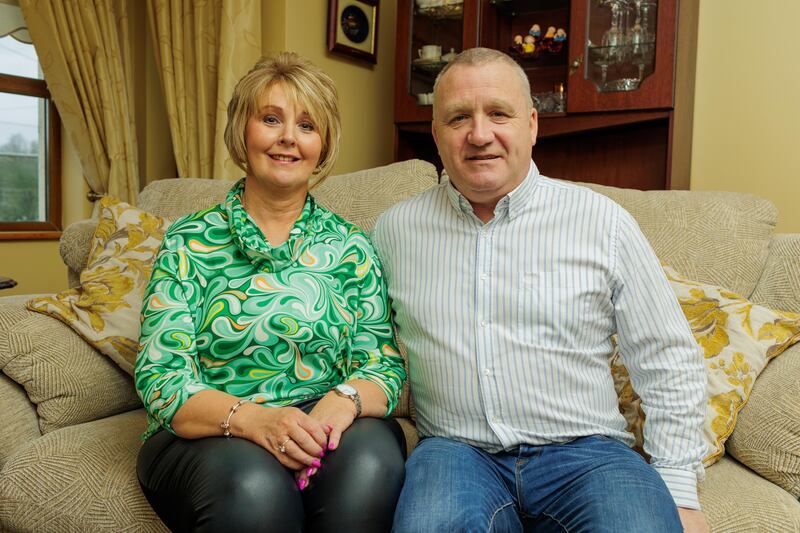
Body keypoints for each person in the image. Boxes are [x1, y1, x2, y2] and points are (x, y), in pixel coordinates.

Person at [373, 48, 710, 532]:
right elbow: (360, 342)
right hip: (457, 452)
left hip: (588, 453)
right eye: (459, 118)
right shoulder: (394, 231)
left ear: (532, 124)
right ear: (436, 134)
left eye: (498, 114)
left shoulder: (602, 222)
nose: (480, 134)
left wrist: (679, 488)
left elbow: (667, 357)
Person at [135, 52, 407, 533]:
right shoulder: (189, 241)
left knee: (369, 467)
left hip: (324, 420)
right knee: (258, 491)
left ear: (322, 146)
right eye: (270, 119)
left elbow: (381, 364)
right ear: (243, 132)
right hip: (213, 430)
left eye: (306, 125)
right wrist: (257, 421)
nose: (288, 137)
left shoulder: (351, 247)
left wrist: (338, 404)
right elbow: (163, 378)